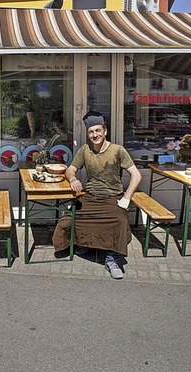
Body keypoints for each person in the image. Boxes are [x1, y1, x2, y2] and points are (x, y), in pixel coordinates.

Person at [52, 111, 142, 279]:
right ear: (88, 134)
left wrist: (126, 198)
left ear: (105, 131)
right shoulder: (85, 150)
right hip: (90, 198)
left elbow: (136, 175)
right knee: (67, 221)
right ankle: (84, 244)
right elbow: (70, 170)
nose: (95, 135)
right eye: (91, 132)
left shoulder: (118, 150)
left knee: (120, 222)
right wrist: (72, 179)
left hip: (112, 198)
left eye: (98, 131)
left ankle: (112, 258)